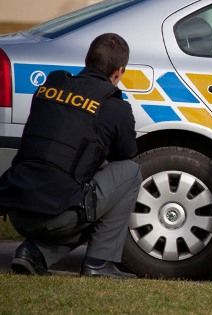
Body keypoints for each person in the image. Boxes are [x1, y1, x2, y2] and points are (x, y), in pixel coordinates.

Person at [0, 33, 141, 279]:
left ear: (87, 60)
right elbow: (126, 154)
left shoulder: (49, 87)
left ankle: (33, 253)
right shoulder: (115, 107)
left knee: (75, 194)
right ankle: (99, 263)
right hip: (56, 215)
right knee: (129, 173)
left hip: (17, 210)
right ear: (119, 72)